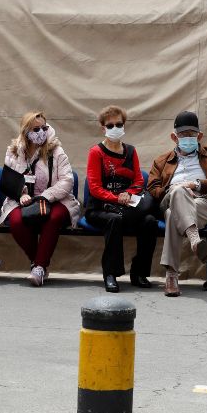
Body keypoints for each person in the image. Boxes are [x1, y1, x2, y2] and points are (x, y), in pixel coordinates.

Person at [146, 111, 207, 297]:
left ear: (199, 136)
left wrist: (196, 184)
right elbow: (152, 189)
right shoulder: (161, 161)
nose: (188, 138)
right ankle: (195, 239)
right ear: (174, 137)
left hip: (204, 203)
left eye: (192, 134)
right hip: (171, 199)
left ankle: (171, 276)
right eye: (183, 134)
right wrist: (175, 189)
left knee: (172, 215)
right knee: (178, 191)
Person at [0, 112, 80, 286]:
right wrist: (21, 193)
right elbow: (7, 180)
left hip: (56, 199)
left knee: (54, 218)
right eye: (36, 129)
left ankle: (39, 268)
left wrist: (45, 196)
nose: (41, 132)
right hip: (23, 200)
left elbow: (67, 180)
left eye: (44, 127)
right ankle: (39, 261)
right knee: (16, 222)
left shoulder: (56, 150)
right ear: (26, 131)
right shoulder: (14, 151)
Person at [85, 105, 158, 293]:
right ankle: (110, 274)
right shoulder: (96, 152)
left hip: (128, 207)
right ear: (103, 128)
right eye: (110, 125)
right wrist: (118, 198)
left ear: (124, 125)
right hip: (101, 208)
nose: (115, 128)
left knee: (149, 221)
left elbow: (138, 181)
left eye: (118, 124)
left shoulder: (131, 151)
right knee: (114, 220)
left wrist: (129, 195)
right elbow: (94, 188)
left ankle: (139, 272)